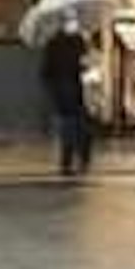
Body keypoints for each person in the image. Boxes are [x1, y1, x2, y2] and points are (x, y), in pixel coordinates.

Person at [37, 14, 94, 177]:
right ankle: (80, 159)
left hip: (62, 91)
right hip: (72, 89)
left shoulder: (53, 42)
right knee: (79, 126)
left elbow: (45, 71)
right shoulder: (76, 41)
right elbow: (84, 63)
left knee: (68, 127)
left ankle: (67, 162)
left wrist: (50, 89)